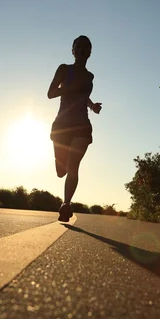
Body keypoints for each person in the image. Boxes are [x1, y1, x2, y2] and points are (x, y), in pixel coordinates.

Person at [47, 35, 102, 222]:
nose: (81, 50)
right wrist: (68, 89)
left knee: (73, 167)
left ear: (90, 52)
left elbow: (83, 96)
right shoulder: (64, 69)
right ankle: (66, 201)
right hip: (62, 126)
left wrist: (92, 106)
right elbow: (50, 93)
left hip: (82, 126)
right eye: (78, 46)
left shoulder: (89, 76)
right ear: (72, 50)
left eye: (85, 47)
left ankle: (66, 204)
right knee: (61, 171)